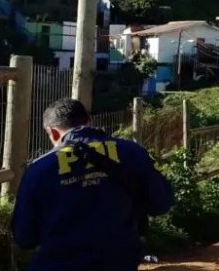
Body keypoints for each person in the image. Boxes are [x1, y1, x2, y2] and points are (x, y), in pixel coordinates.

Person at [12, 98, 174, 271]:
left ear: (53, 133)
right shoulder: (132, 152)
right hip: (119, 261)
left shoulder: (39, 169)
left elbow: (24, 236)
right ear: (89, 121)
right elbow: (162, 203)